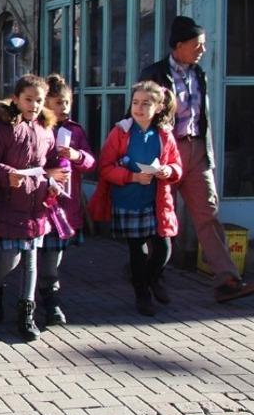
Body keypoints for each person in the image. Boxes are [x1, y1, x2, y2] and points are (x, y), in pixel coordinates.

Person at [140, 16, 253, 303]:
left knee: (207, 213)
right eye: (197, 45)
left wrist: (207, 155)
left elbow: (202, 118)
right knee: (162, 216)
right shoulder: (154, 74)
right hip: (166, 151)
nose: (202, 50)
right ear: (179, 45)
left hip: (197, 150)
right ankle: (151, 276)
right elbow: (140, 114)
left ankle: (227, 280)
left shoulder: (198, 73)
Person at [0, 75, 67, 342]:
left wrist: (53, 181)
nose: (34, 105)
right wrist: (7, 175)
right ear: (16, 98)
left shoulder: (45, 129)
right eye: (28, 99)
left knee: (31, 260)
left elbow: (51, 162)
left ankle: (26, 314)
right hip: (8, 203)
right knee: (10, 258)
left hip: (36, 205)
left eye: (39, 100)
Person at [89, 81, 182, 315]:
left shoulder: (164, 135)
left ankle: (153, 278)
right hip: (127, 201)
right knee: (137, 251)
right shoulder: (120, 132)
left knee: (163, 249)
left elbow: (176, 164)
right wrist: (131, 177)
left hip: (156, 202)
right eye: (136, 102)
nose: (139, 108)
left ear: (159, 107)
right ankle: (142, 294)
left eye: (146, 103)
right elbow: (106, 167)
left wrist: (168, 171)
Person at [38, 74, 95, 326]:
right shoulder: (37, 128)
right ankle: (15, 294)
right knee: (25, 258)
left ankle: (51, 302)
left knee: (53, 260)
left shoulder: (75, 130)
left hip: (63, 209)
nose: (63, 108)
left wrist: (77, 155)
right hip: (37, 204)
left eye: (67, 102)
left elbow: (91, 163)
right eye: (58, 102)